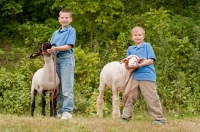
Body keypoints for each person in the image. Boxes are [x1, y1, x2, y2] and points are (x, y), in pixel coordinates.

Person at [121, 26, 166, 125]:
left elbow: (151, 60)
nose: (137, 37)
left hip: (147, 76)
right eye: (135, 35)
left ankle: (159, 119)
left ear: (143, 36)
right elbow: (128, 62)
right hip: (135, 76)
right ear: (132, 37)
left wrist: (139, 64)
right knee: (128, 95)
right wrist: (128, 66)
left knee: (151, 97)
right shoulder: (130, 48)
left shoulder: (147, 46)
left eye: (139, 35)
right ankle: (126, 117)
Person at [47, 9, 76, 120]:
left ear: (70, 19)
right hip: (56, 60)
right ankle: (60, 111)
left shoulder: (71, 31)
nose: (64, 20)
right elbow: (51, 47)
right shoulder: (56, 33)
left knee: (66, 87)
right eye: (62, 18)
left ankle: (67, 112)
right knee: (58, 87)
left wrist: (55, 48)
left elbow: (68, 46)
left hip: (66, 59)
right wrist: (48, 51)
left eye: (66, 18)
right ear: (59, 19)